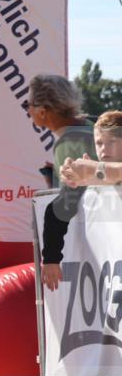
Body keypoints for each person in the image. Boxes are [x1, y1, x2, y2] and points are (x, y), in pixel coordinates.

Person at [41, 111, 122, 291]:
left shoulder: (91, 172)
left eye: (111, 142)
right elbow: (56, 210)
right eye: (99, 143)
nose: (104, 149)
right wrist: (51, 258)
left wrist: (95, 170)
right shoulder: (85, 177)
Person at [28, 74, 96, 184]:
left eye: (27, 104)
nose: (28, 110)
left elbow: (71, 194)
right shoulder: (91, 123)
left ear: (42, 112)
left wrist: (53, 185)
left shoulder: (65, 146)